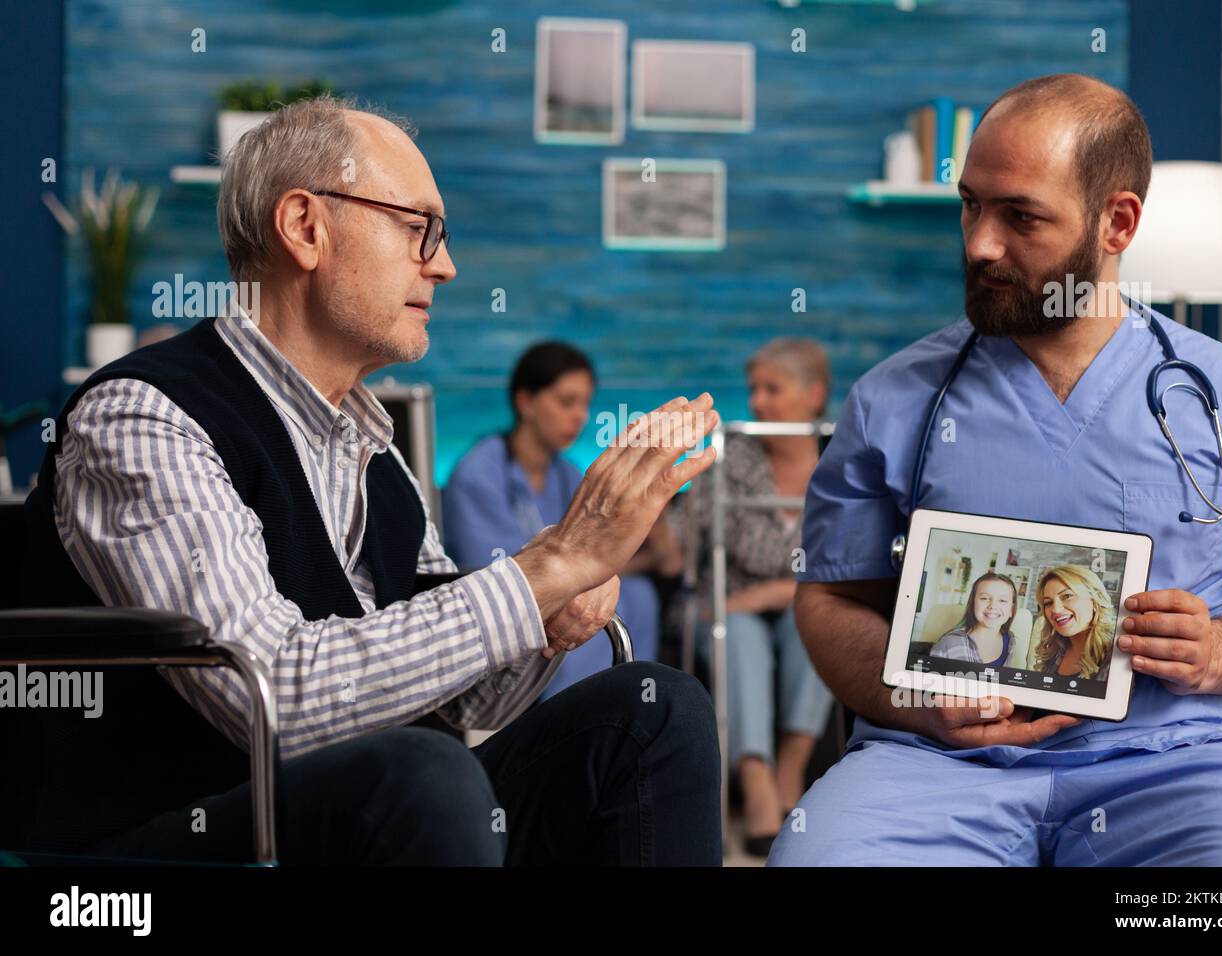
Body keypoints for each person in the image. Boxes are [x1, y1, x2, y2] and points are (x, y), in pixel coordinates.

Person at [17, 96, 723, 865]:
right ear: (305, 227)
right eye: (418, 227)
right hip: (161, 840)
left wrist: (550, 611)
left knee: (656, 711)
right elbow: (273, 697)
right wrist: (543, 569)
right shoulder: (145, 416)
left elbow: (456, 705)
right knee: (422, 774)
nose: (445, 265)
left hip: (377, 804)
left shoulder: (376, 452)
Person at [769, 73, 1222, 866]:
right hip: (934, 766)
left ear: (1116, 223)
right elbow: (831, 598)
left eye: (1020, 216)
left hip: (1172, 766)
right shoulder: (893, 398)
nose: (980, 243)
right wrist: (910, 702)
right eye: (971, 204)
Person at [674, 337, 835, 856]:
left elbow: (846, 568)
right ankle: (758, 782)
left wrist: (775, 592)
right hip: (728, 607)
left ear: (814, 394)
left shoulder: (842, 463)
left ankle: (792, 766)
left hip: (795, 602)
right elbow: (690, 547)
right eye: (754, 390)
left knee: (816, 617)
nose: (757, 402)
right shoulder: (731, 457)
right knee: (736, 633)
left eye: (772, 389)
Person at [442, 342, 672, 698]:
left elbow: (596, 558)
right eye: (567, 402)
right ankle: (586, 714)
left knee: (639, 595)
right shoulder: (478, 474)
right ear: (526, 403)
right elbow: (493, 571)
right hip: (500, 613)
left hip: (555, 594)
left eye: (584, 404)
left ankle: (633, 702)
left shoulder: (567, 473)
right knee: (581, 605)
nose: (580, 416)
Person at [1031, 565, 1115, 681]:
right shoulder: (1053, 650)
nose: (1056, 609)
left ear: (1094, 601)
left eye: (1067, 596)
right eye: (1048, 603)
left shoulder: (1115, 654)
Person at [929, 572, 1020, 666]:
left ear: (1011, 610)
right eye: (984, 598)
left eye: (1002, 600)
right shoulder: (950, 644)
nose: (993, 606)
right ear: (973, 604)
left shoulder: (1010, 640)